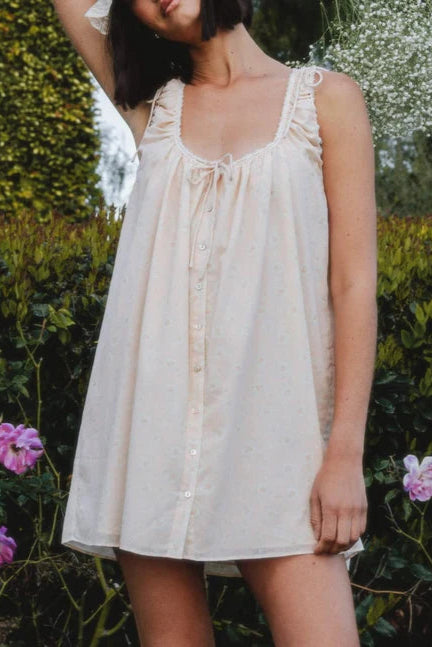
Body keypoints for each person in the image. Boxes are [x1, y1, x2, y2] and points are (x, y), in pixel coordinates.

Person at [53, 0, 378, 645]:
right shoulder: (154, 110)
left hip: (282, 448)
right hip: (150, 443)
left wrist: (344, 453)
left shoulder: (327, 100)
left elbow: (354, 286)